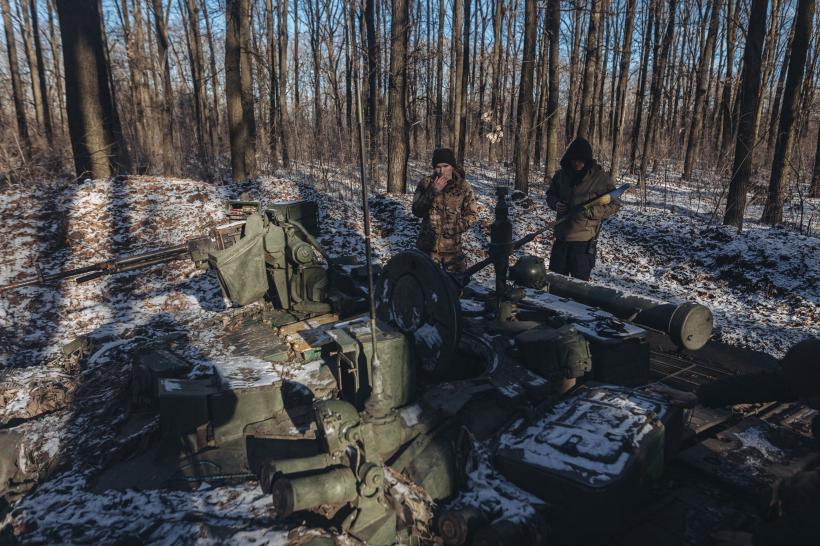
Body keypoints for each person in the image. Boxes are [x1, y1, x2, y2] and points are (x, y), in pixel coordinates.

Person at [651, 338, 820, 546]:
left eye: (808, 397)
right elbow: (767, 384)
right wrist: (698, 396)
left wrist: (759, 541)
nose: (802, 401)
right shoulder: (811, 378)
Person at [546, 137, 621, 281]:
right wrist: (555, 204)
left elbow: (615, 204)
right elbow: (551, 195)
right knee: (554, 283)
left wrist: (590, 212)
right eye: (574, 159)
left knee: (578, 290)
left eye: (581, 160)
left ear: (587, 160)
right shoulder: (561, 175)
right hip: (561, 239)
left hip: (583, 242)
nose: (577, 163)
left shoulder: (600, 178)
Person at [412, 148, 478, 274]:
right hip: (427, 248)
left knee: (456, 287)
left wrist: (456, 227)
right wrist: (433, 191)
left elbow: (473, 214)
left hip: (452, 250)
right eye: (438, 167)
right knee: (427, 288)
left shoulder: (463, 186)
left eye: (445, 166)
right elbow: (416, 211)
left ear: (452, 166)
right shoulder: (426, 183)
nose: (442, 171)